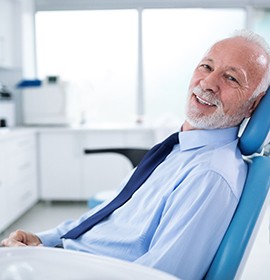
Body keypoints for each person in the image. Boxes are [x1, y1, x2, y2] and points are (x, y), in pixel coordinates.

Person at [1, 29, 270, 280]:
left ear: (253, 106)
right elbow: (109, 217)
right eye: (206, 66)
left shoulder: (210, 175)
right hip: (65, 257)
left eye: (231, 78)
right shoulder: (178, 149)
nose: (209, 82)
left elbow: (159, 276)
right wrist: (42, 241)